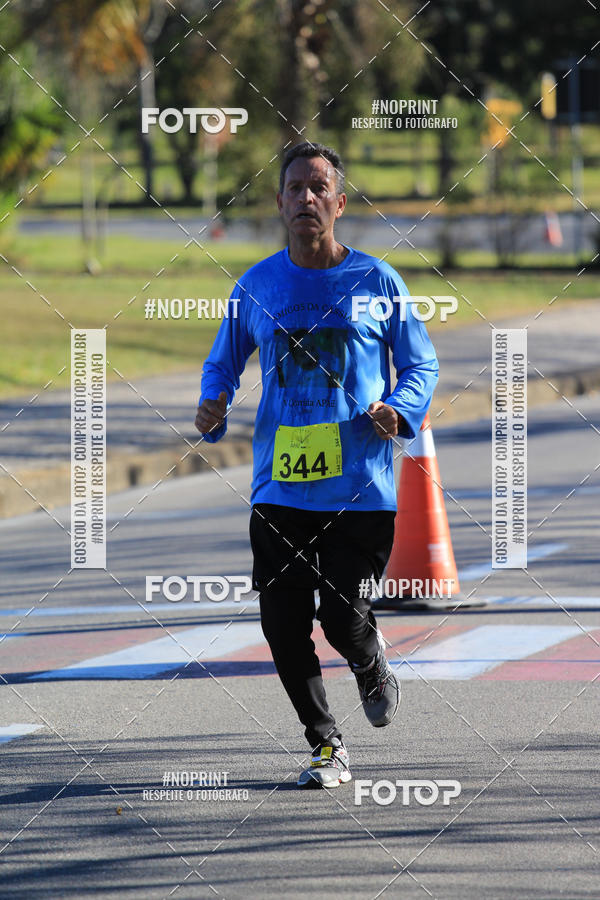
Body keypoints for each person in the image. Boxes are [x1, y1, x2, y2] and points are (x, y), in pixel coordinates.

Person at [195, 141, 438, 789]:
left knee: (340, 614)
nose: (306, 198)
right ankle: (326, 745)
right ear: (279, 202)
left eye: (317, 187)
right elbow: (223, 359)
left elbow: (421, 362)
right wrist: (212, 398)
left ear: (339, 202)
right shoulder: (259, 284)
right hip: (279, 485)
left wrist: (401, 405)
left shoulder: (377, 282)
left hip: (359, 490)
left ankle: (369, 661)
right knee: (281, 624)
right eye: (294, 188)